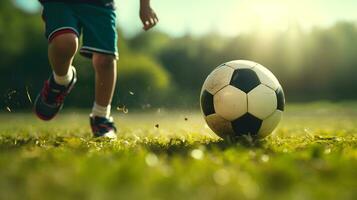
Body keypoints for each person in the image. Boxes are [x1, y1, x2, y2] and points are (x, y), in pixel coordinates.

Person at [34, 0, 158, 139]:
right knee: (65, 42)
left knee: (106, 60)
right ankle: (61, 80)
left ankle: (101, 118)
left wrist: (145, 5)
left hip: (100, 4)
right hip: (61, 3)